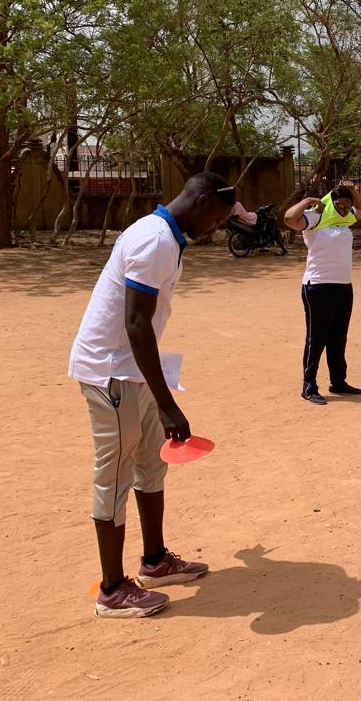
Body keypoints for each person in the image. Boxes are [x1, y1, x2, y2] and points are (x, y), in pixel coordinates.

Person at [68, 172, 236, 617]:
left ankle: (156, 562)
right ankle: (111, 590)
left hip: (133, 372)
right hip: (112, 376)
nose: (217, 228)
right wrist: (167, 403)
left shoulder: (165, 234)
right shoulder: (155, 240)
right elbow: (136, 323)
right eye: (217, 219)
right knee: (116, 476)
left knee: (150, 464)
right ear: (200, 203)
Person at [283, 181, 361, 404]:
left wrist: (353, 191)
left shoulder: (345, 218)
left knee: (338, 338)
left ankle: (338, 382)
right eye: (339, 205)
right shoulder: (316, 217)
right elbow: (289, 219)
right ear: (331, 201)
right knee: (316, 339)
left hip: (343, 286)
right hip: (318, 286)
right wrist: (307, 202)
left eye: (346, 206)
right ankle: (309, 386)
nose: (344, 209)